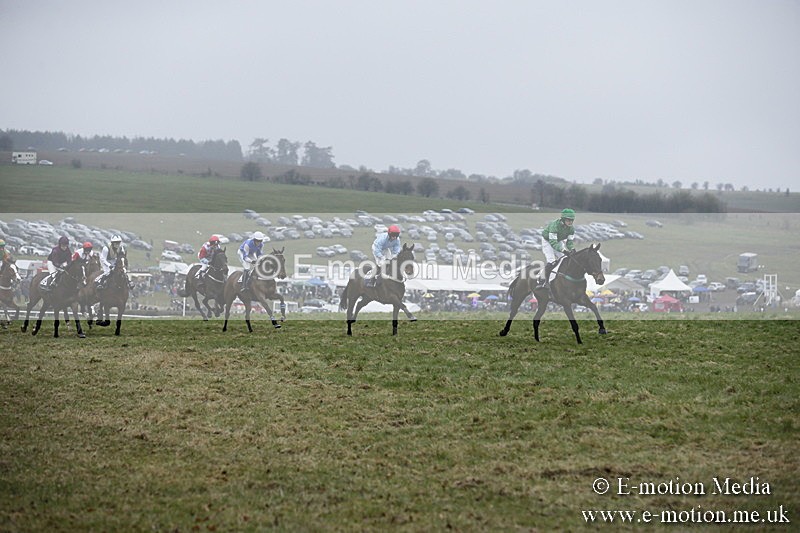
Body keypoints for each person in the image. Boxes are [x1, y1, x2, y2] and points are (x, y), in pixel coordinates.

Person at [540, 208, 576, 289]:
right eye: (568, 220)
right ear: (563, 219)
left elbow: (569, 242)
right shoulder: (554, 225)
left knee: (565, 259)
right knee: (552, 261)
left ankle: (560, 279)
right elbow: (553, 243)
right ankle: (542, 280)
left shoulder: (571, 229)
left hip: (558, 240)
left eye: (572, 220)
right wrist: (563, 250)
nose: (570, 222)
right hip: (547, 241)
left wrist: (572, 249)